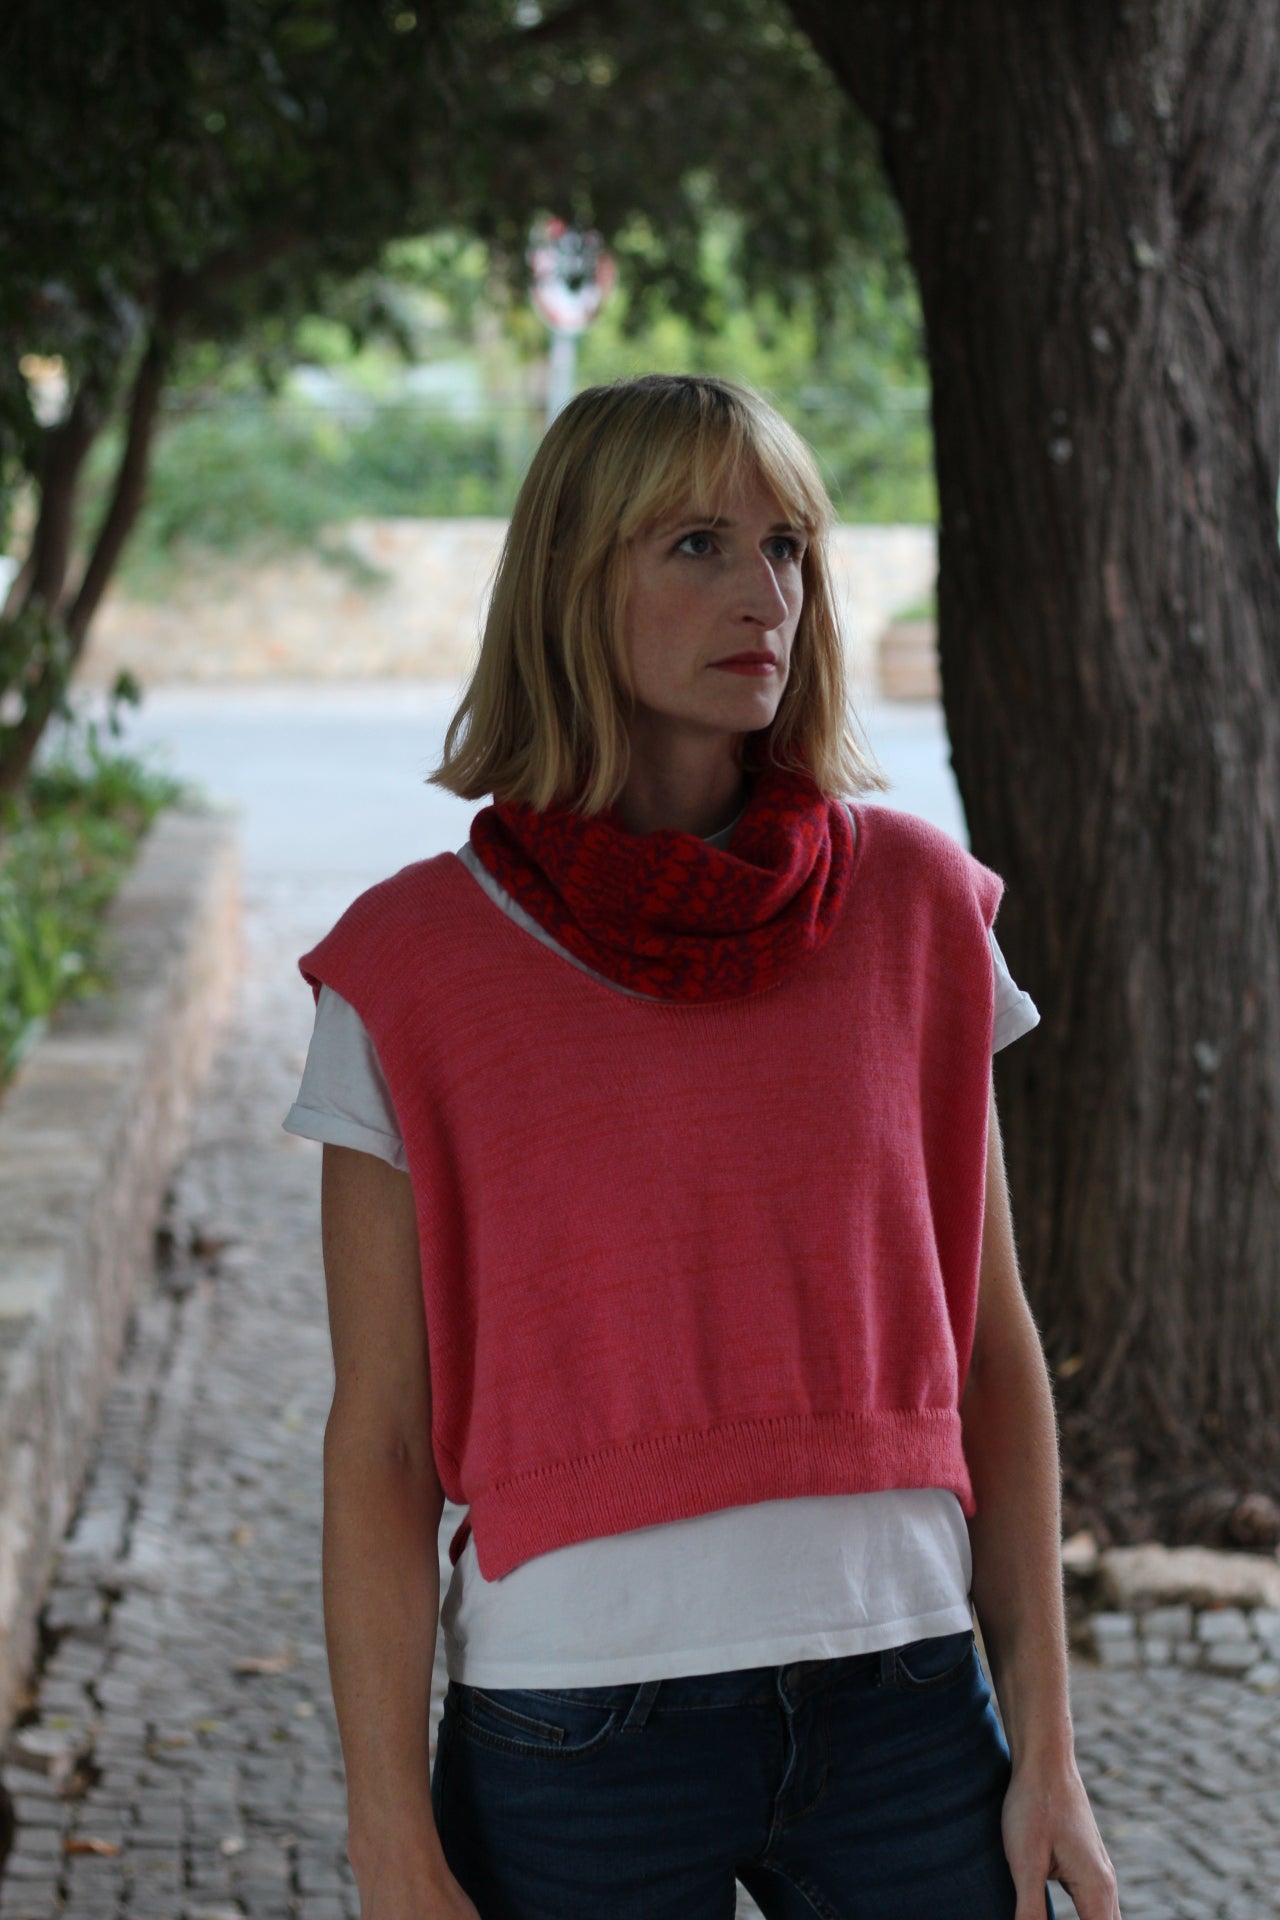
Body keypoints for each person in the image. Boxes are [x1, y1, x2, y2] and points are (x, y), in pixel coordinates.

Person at [284, 374, 1120, 1920]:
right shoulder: (409, 966)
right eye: (695, 545)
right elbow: (383, 1447)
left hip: (909, 1706)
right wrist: (391, 1841)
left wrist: (1049, 1748)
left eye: (788, 546)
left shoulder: (922, 911)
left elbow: (993, 1355)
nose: (764, 594)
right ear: (570, 581)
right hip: (574, 1732)